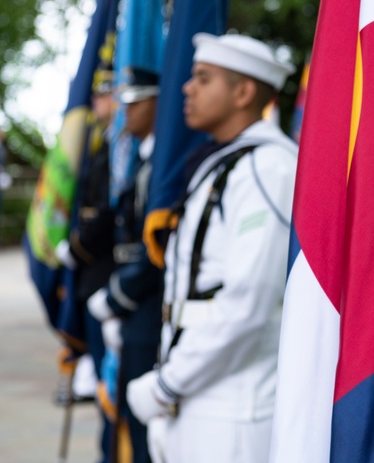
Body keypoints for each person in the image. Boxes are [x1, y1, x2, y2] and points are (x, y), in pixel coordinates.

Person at [126, 33, 297, 463]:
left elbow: (247, 302)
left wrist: (167, 384)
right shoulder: (230, 161)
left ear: (243, 92)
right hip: (197, 395)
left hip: (233, 408)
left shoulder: (268, 167)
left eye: (203, 78)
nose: (187, 87)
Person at [87, 68, 163, 463]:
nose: (124, 111)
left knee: (141, 430)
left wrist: (118, 299)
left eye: (134, 103)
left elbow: (156, 251)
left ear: (156, 103)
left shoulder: (162, 167)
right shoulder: (145, 160)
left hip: (146, 308)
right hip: (131, 301)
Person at [56, 63, 119, 462]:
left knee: (109, 380)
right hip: (94, 274)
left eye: (103, 94)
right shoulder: (105, 143)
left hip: (106, 274)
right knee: (101, 378)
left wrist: (76, 248)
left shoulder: (118, 149)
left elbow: (108, 213)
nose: (95, 101)